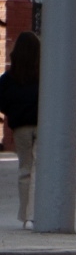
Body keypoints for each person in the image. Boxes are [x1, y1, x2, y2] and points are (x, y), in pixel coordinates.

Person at [0, 32, 41, 227]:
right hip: (42, 126)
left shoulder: (9, 78)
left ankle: (25, 216)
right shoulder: (43, 75)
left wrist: (12, 111)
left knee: (24, 170)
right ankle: (34, 214)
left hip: (20, 128)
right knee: (38, 168)